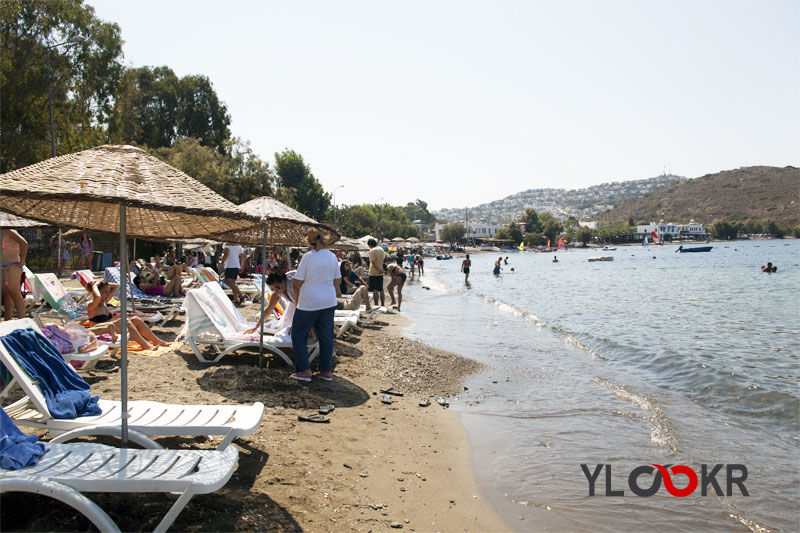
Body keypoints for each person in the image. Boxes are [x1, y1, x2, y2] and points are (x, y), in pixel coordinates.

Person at [290, 230, 342, 382]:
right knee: (326, 336)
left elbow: (298, 282)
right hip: (328, 301)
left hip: (309, 302)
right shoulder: (332, 256)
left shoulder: (308, 257)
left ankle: (305, 371)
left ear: (309, 242)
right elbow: (337, 281)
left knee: (299, 335)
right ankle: (326, 371)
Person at [86, 280, 169, 350]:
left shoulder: (104, 303)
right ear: (97, 292)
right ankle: (145, 345)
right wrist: (95, 286)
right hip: (100, 332)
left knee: (136, 319)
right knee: (125, 321)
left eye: (108, 292)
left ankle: (156, 340)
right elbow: (97, 297)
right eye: (105, 292)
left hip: (110, 329)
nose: (108, 294)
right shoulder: (92, 305)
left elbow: (116, 286)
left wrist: (100, 282)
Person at [244, 270, 297, 334]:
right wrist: (256, 326)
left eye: (278, 288)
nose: (277, 291)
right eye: (273, 289)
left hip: (304, 302)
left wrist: (295, 324)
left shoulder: (294, 286)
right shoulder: (276, 293)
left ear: (283, 281)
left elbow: (300, 306)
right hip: (294, 304)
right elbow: (269, 309)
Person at [2, 229, 28, 320]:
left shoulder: (8, 231)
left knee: (15, 294)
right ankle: (8, 320)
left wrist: (22, 260)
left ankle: (22, 321)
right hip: (3, 266)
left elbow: (24, 243)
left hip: (12, 265)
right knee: (6, 295)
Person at [367, 238, 385, 307]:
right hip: (381, 271)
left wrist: (378, 269)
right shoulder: (381, 249)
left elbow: (373, 262)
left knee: (375, 289)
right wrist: (380, 270)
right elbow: (383, 260)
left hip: (373, 272)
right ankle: (383, 304)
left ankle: (376, 304)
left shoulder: (372, 251)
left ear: (370, 245)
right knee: (381, 289)